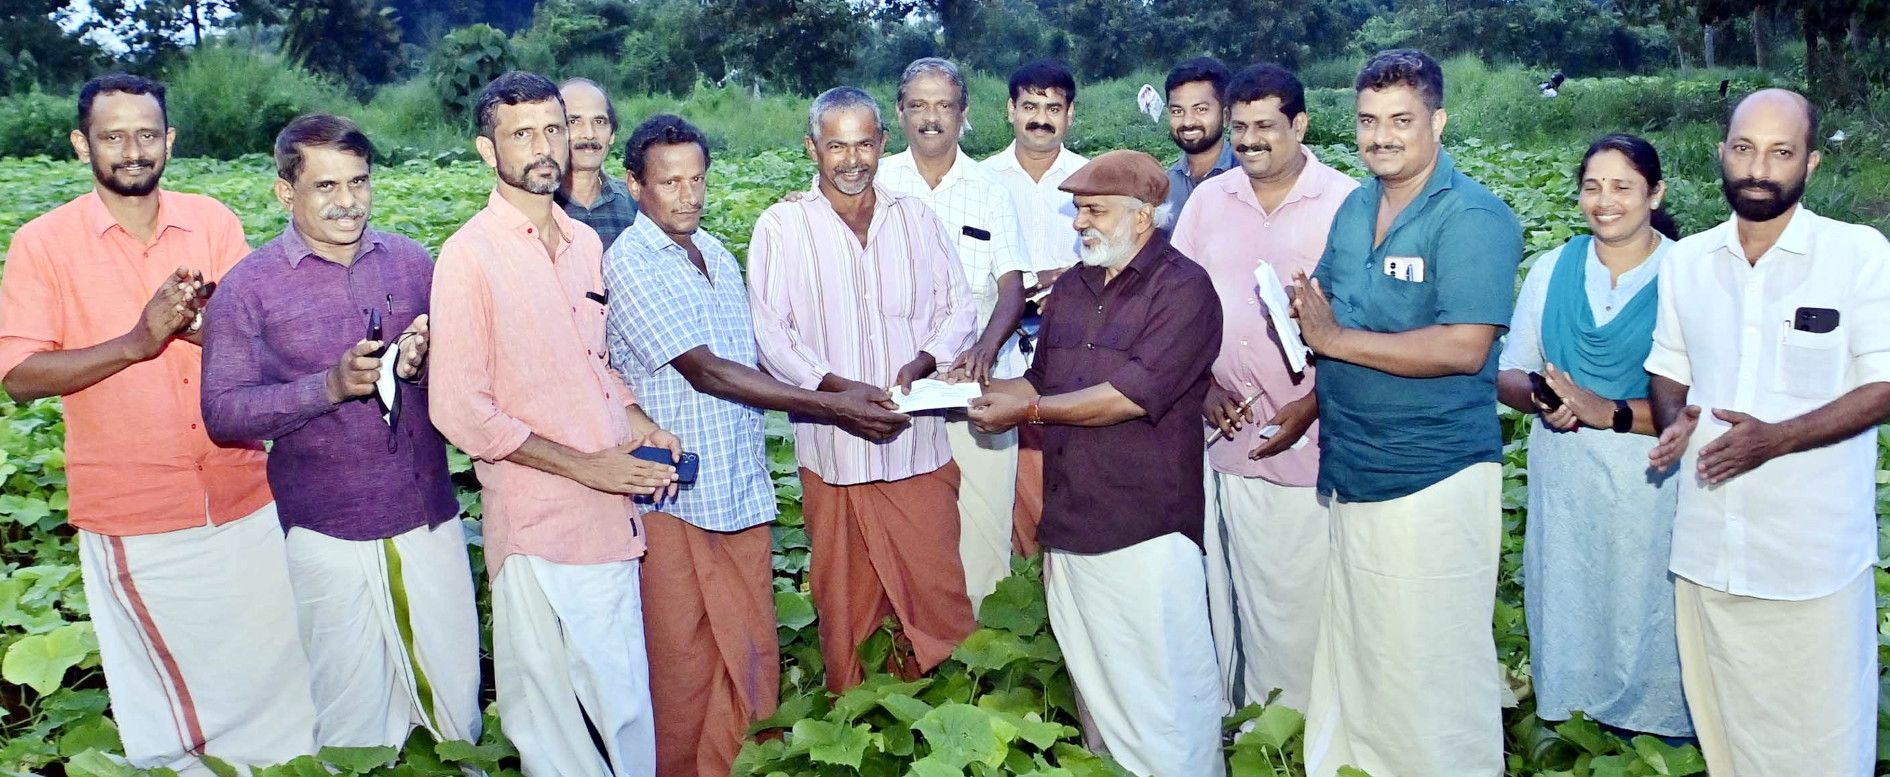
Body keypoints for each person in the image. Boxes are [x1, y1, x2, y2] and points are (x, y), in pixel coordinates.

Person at [0, 74, 317, 773]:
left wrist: (203, 328)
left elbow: (259, 342)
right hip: (136, 513)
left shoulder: (211, 221)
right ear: (83, 143)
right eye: (112, 136)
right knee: (176, 715)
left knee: (280, 677)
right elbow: (19, 374)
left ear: (168, 139)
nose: (132, 150)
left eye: (146, 134)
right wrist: (136, 342)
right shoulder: (42, 244)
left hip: (243, 491)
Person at [602, 113, 911, 777]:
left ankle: (743, 762)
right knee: (683, 655)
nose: (688, 195)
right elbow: (707, 369)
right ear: (634, 186)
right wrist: (830, 404)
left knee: (748, 647)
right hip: (676, 496)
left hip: (738, 485)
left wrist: (843, 386)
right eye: (669, 183)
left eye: (697, 179)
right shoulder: (629, 262)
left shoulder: (712, 251)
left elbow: (753, 358)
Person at [199, 114, 481, 752]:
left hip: (425, 513)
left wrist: (419, 364)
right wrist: (326, 387)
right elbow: (223, 413)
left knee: (456, 696)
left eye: (359, 182)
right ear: (284, 191)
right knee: (351, 709)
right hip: (327, 524)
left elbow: (460, 380)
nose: (348, 201)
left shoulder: (411, 262)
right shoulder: (249, 288)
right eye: (325, 186)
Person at [428, 71, 680, 777]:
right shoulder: (468, 256)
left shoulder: (582, 243)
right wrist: (587, 466)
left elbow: (595, 365)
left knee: (623, 699)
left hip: (609, 518)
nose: (544, 147)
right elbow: (458, 408)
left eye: (552, 129)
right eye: (522, 134)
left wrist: (639, 422)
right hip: (538, 523)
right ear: (487, 149)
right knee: (551, 722)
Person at [1289, 49, 1523, 777]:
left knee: (1430, 655)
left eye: (1400, 120)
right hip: (1353, 465)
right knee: (1365, 641)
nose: (1381, 136)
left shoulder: (1475, 217)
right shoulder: (1358, 206)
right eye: (1367, 121)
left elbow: (1463, 346)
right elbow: (1326, 309)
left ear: (1438, 121)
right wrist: (1307, 360)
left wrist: (1332, 338)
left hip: (1432, 473)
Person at [1645, 88, 1890, 777]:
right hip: (1707, 547)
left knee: (1823, 748)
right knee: (1729, 741)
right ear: (1723, 152)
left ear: (1809, 163)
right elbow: (1669, 370)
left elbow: (1884, 383)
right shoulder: (1686, 260)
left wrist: (1775, 438)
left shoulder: (1858, 254)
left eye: (1781, 152)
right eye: (1745, 148)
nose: (1759, 166)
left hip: (1810, 557)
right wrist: (1674, 424)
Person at [967, 150, 1224, 777]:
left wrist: (1027, 415)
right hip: (1073, 522)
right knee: (1096, 686)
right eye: (1078, 209)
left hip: (1146, 529)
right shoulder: (1073, 289)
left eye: (1094, 211)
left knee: (1165, 692)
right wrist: (964, 395)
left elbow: (1127, 397)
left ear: (1142, 218)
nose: (1080, 223)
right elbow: (1038, 383)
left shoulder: (1184, 289)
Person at [748, 86, 978, 692]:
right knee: (845, 596)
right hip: (833, 449)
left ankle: (943, 705)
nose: (852, 160)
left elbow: (958, 306)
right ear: (812, 149)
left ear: (882, 144)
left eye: (864, 144)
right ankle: (857, 708)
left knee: (936, 588)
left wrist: (926, 359)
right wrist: (836, 392)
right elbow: (773, 333)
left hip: (916, 446)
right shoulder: (782, 225)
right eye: (836, 146)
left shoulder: (915, 218)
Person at [1170, 63, 1358, 715]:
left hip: (1317, 443)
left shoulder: (1347, 203)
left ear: (1300, 124)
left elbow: (1367, 325)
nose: (1250, 141)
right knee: (1236, 595)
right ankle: (1249, 726)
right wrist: (1199, 387)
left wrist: (1312, 402)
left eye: (1266, 126)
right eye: (1241, 126)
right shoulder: (1207, 202)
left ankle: (1310, 729)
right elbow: (1176, 310)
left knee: (1307, 599)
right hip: (1227, 438)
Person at [1495, 133, 1691, 738]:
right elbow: (1508, 372)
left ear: (1654, 194)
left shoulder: (1687, 273)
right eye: (1593, 187)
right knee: (1572, 598)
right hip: (1568, 480)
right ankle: (1574, 728)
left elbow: (1705, 403)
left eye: (1623, 187)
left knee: (1650, 612)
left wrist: (1606, 408)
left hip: (1653, 484)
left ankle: (1661, 734)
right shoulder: (1554, 269)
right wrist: (1549, 399)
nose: (1605, 202)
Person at [877, 57, 1032, 610]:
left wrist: (983, 351)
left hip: (976, 381)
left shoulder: (989, 188)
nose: (931, 118)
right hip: (900, 382)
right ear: (900, 113)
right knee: (910, 514)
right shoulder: (876, 180)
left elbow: (1012, 288)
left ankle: (985, 642)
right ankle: (921, 633)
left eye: (944, 105)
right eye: (918, 105)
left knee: (986, 517)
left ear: (963, 114)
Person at [980, 57, 1088, 557]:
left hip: (1076, 344)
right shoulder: (981, 181)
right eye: (1030, 106)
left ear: (1069, 115)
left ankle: (1068, 569)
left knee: (1068, 457)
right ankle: (1022, 571)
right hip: (1001, 344)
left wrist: (1067, 282)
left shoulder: (1091, 179)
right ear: (1010, 110)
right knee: (1010, 462)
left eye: (1053, 108)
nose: (1040, 118)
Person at [556, 77, 638, 249]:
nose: (589, 134)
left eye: (599, 122)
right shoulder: (538, 205)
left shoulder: (635, 203)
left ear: (612, 134)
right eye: (574, 122)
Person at [1162, 57, 1238, 218]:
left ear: (1226, 115)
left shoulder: (1248, 176)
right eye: (1177, 111)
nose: (1188, 121)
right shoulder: (1165, 185)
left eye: (1201, 109)